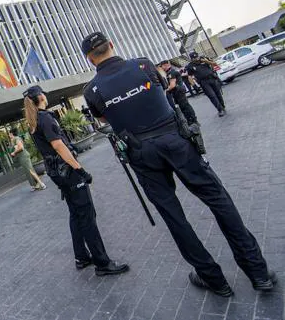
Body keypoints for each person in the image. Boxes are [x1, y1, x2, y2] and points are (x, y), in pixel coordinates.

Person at [81, 31, 276, 296]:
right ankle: (258, 272)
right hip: (176, 140)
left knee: (174, 218)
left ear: (89, 59)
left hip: (141, 153)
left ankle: (213, 279)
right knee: (218, 198)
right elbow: (160, 91)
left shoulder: (91, 90)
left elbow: (103, 118)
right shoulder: (143, 65)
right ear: (111, 45)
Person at [23, 85, 129, 276]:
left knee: (75, 213)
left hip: (56, 172)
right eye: (44, 93)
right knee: (87, 215)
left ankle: (81, 256)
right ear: (40, 97)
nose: (46, 95)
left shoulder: (34, 120)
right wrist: (80, 170)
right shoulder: (45, 118)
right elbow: (57, 146)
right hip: (67, 172)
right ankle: (102, 263)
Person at [186, 52, 226, 117]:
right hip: (204, 82)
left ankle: (222, 106)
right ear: (192, 59)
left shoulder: (204, 59)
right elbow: (189, 76)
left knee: (218, 94)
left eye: (197, 57)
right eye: (194, 58)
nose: (196, 59)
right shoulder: (190, 66)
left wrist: (206, 61)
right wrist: (194, 85)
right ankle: (220, 110)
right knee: (212, 96)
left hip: (212, 79)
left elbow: (214, 64)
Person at [159, 60, 198, 125]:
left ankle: (193, 120)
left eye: (162, 66)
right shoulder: (169, 73)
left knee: (185, 107)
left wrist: (165, 91)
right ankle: (191, 120)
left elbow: (172, 85)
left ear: (165, 65)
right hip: (177, 92)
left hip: (179, 92)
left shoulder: (172, 72)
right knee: (184, 106)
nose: (162, 68)